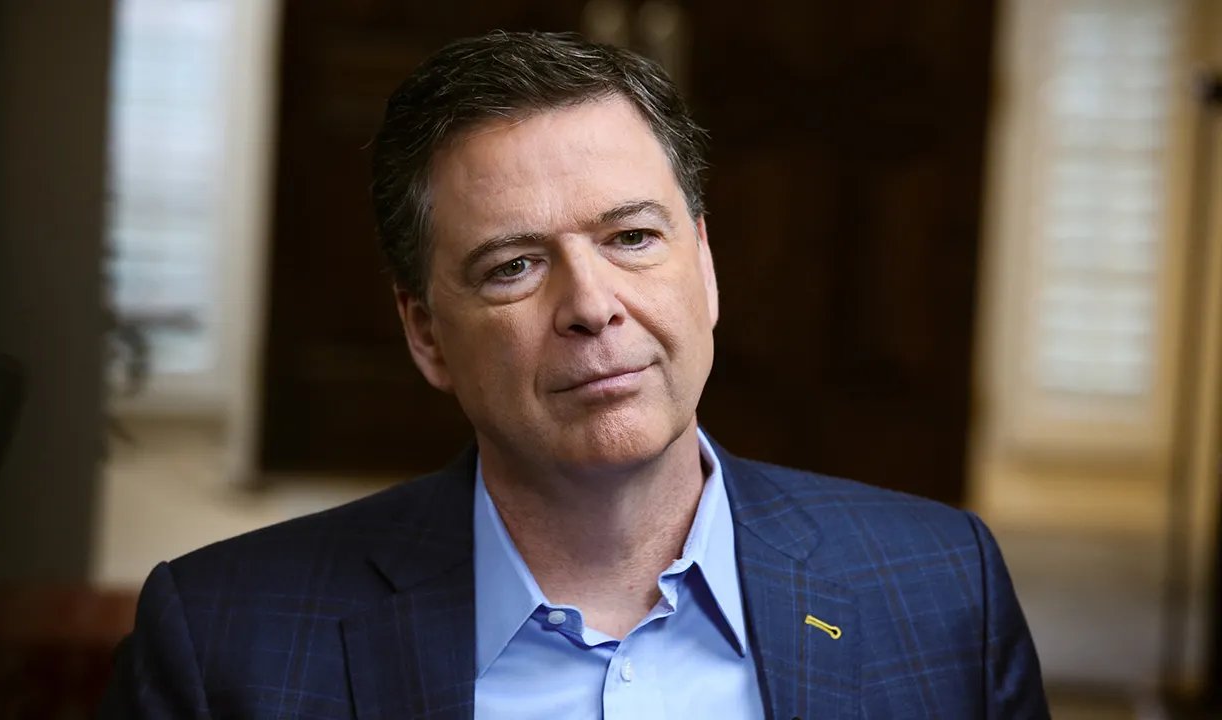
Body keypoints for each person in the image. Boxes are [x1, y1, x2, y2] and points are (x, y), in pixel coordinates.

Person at [100, 30, 1049, 719]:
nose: (592, 306)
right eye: (514, 265)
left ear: (706, 266)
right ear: (426, 335)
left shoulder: (944, 587)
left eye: (631, 238)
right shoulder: (222, 641)